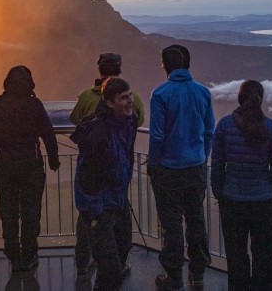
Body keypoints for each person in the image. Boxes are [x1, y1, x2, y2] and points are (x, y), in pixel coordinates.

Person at [69, 53, 145, 281]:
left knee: (115, 255)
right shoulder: (101, 133)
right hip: (102, 204)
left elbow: (74, 118)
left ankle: (83, 264)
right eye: (124, 98)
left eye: (129, 96)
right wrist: (94, 213)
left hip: (115, 199)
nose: (129, 101)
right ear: (109, 102)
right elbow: (88, 175)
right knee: (111, 267)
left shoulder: (87, 99)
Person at [149, 44, 214, 291]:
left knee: (172, 223)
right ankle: (198, 274)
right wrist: (202, 157)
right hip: (196, 166)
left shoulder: (161, 94)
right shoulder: (203, 92)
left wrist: (153, 164)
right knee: (196, 220)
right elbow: (209, 131)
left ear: (165, 65)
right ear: (188, 64)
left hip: (168, 169)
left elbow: (157, 136)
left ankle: (173, 278)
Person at [211, 80, 272, 291]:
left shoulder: (225, 125)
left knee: (236, 258)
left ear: (239, 98)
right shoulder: (271, 128)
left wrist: (219, 192)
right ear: (261, 100)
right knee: (265, 259)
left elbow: (217, 163)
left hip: (232, 201)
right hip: (265, 202)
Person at [0, 66, 60, 272]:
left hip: (5, 165)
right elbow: (48, 132)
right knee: (30, 212)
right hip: (31, 164)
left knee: (8, 213)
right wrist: (53, 159)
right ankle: (29, 254)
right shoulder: (34, 104)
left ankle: (12, 253)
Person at [70, 52, 145, 127]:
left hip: (93, 138)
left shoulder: (86, 96)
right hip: (123, 138)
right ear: (119, 69)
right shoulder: (133, 97)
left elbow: (74, 119)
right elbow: (139, 121)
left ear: (100, 69)